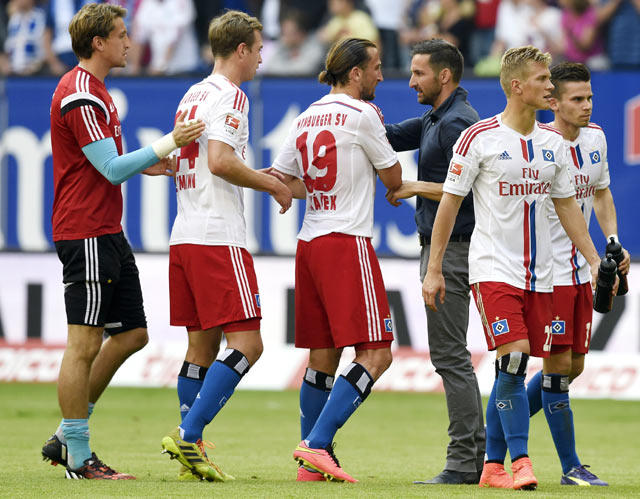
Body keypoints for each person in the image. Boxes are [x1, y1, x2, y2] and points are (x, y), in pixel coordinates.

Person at [422, 45, 605, 490]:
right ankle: (519, 463)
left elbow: (568, 208)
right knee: (514, 358)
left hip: (541, 276)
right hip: (492, 270)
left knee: (525, 365)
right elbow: (450, 203)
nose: (550, 86)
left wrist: (595, 260)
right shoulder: (480, 138)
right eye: (543, 80)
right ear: (517, 86)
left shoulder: (553, 145)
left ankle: (490, 468)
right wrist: (435, 267)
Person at [42, 2, 204, 480]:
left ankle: (63, 434)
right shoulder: (80, 95)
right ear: (99, 42)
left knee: (132, 334)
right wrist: (169, 142)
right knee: (83, 344)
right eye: (121, 34)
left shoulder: (96, 90)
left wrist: (152, 163)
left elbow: (107, 162)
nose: (129, 42)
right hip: (85, 232)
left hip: (106, 230)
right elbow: (110, 168)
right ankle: (77, 452)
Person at [159, 10, 292, 482]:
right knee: (248, 344)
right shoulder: (232, 96)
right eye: (257, 49)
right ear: (240, 50)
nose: (260, 57)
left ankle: (187, 449)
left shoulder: (192, 94)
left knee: (200, 347)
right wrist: (270, 185)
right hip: (218, 236)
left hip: (185, 234)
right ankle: (189, 434)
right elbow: (219, 161)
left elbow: (174, 160)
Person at [270, 37, 402, 483]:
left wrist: (327, 188)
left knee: (321, 358)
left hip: (310, 242)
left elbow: (282, 179)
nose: (381, 76)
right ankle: (315, 445)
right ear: (355, 74)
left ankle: (311, 469)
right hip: (347, 242)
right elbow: (394, 177)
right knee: (377, 353)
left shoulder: (305, 116)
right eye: (376, 68)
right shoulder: (364, 114)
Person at [384, 38, 486, 485]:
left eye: (418, 73)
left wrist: (412, 186)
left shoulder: (456, 123)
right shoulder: (438, 117)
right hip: (452, 247)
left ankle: (466, 463)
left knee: (450, 357)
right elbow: (385, 137)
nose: (410, 82)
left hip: (454, 250)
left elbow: (461, 186)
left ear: (444, 76)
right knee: (456, 357)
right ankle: (485, 456)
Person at [524, 61, 630, 486]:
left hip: (581, 270)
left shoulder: (596, 138)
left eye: (589, 97)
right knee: (556, 366)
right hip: (547, 272)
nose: (586, 106)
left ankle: (493, 428)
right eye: (577, 99)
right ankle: (569, 467)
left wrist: (613, 240)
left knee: (575, 366)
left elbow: (601, 193)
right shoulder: (539, 144)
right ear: (554, 102)